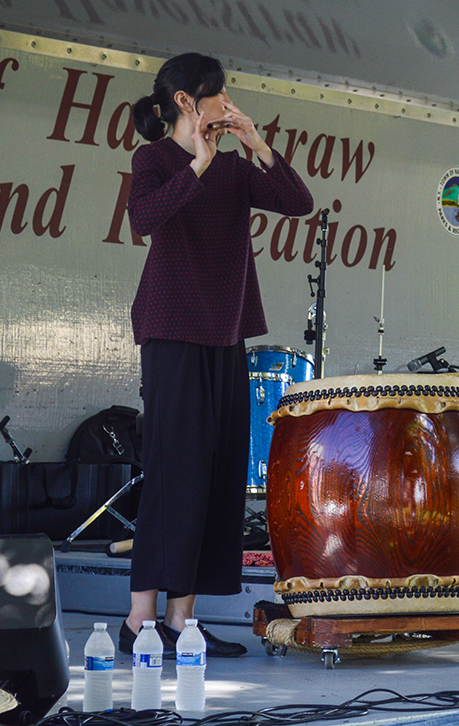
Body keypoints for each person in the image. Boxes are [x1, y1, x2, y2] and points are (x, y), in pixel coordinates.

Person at [120, 52, 314, 655]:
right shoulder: (152, 160)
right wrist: (197, 166)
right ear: (187, 101)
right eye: (219, 95)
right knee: (173, 473)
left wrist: (256, 143)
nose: (226, 103)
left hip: (225, 332)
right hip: (171, 330)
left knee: (216, 476)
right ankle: (138, 623)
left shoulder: (235, 169)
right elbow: (143, 218)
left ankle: (184, 623)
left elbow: (298, 201)